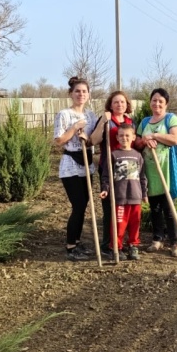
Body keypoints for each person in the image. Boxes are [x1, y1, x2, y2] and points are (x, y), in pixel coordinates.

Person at [53, 76, 100, 261]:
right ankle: (70, 246)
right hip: (71, 164)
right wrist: (74, 128)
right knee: (78, 205)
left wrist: (91, 135)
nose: (81, 94)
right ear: (71, 93)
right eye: (77, 91)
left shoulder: (90, 115)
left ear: (88, 94)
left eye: (84, 91)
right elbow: (58, 141)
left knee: (84, 205)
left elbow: (93, 139)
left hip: (87, 163)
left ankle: (78, 242)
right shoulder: (64, 114)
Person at [135, 88, 177, 258]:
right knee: (154, 207)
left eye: (160, 101)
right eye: (154, 100)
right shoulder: (145, 121)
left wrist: (155, 135)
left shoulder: (171, 119)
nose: (157, 104)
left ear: (166, 104)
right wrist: (144, 140)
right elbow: (137, 142)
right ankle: (157, 239)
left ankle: (175, 243)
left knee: (169, 208)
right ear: (150, 102)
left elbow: (175, 139)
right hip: (150, 169)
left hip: (166, 168)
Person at [99, 123, 148, 261]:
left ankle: (133, 246)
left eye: (127, 135)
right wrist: (105, 189)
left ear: (133, 137)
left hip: (135, 196)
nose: (124, 138)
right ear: (117, 137)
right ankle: (117, 247)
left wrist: (144, 194)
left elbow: (142, 177)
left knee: (135, 224)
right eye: (121, 135)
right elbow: (106, 176)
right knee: (119, 225)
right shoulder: (113, 155)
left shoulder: (138, 155)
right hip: (119, 198)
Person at [95, 90, 134, 249]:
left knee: (125, 206)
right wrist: (103, 121)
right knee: (109, 207)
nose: (119, 105)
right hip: (109, 167)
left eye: (122, 102)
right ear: (110, 105)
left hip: (127, 167)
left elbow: (134, 143)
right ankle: (107, 243)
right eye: (116, 102)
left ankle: (123, 242)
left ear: (127, 105)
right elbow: (94, 140)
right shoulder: (106, 120)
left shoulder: (130, 121)